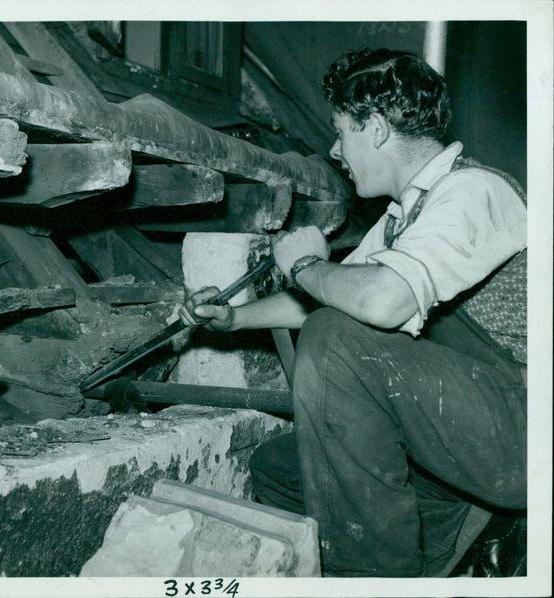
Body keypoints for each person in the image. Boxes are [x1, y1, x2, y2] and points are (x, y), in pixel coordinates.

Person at [178, 48, 527, 577]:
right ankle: (451, 540)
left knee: (334, 341)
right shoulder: (404, 214)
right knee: (280, 469)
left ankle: (370, 581)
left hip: (525, 427)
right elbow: (334, 296)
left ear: (379, 129)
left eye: (342, 131)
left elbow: (379, 302)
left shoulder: (472, 190)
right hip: (473, 430)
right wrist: (234, 317)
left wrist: (305, 264)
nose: (335, 150)